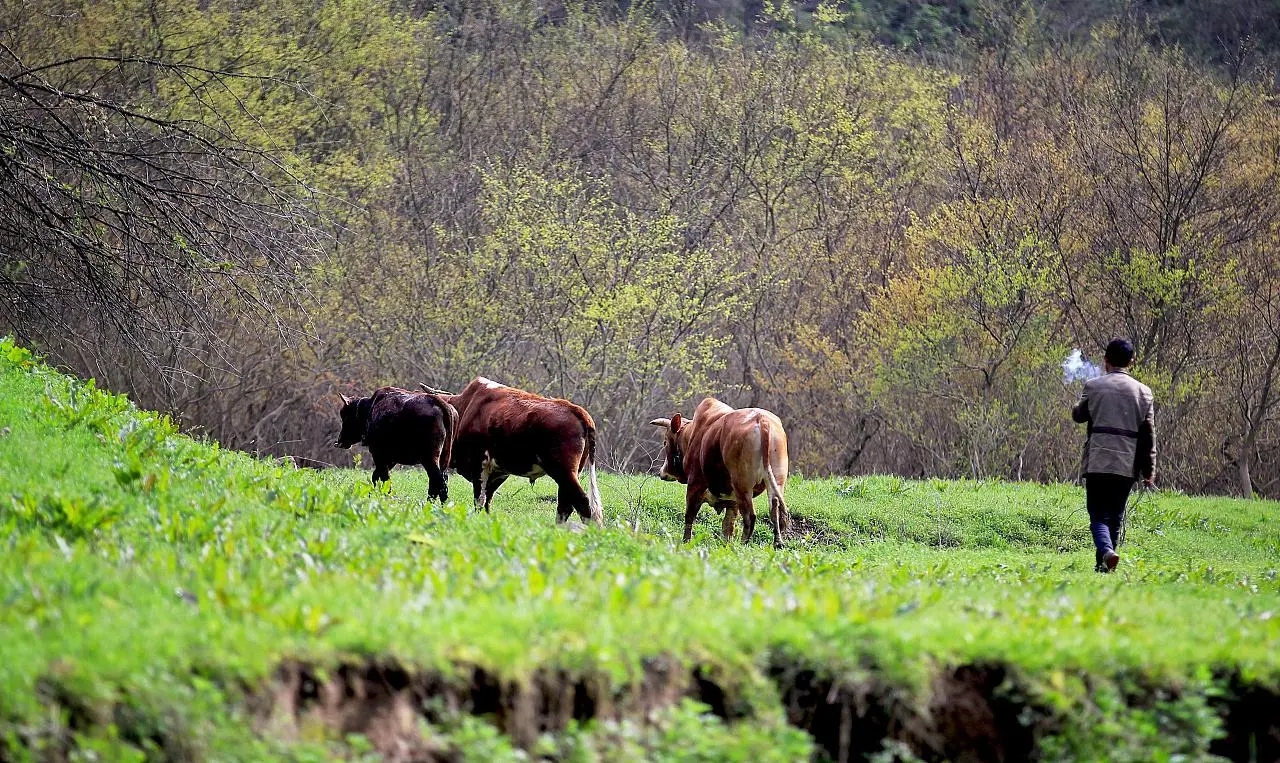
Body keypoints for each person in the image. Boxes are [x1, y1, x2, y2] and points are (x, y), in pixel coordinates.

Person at [1071, 338, 1156, 573]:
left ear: (1105, 360)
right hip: (1126, 463)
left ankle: (1107, 553)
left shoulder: (1093, 386)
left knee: (1097, 515)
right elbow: (1148, 436)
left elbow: (1079, 416)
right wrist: (1149, 471)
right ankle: (1104, 566)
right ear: (1131, 361)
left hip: (1098, 460)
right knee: (1115, 516)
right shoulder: (1144, 392)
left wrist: (1075, 406)